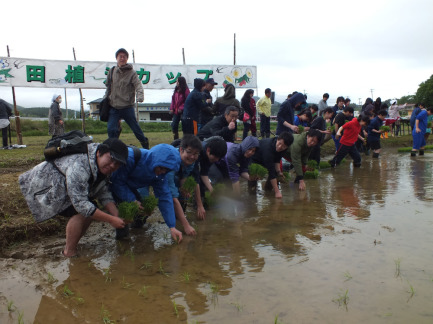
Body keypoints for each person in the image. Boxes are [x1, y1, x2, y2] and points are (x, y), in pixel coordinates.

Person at [19, 138, 129, 257]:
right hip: (43, 187)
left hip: (64, 188)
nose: (113, 165)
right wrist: (111, 220)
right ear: (99, 153)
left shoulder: (103, 167)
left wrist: (116, 215)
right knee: (82, 212)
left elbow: (103, 192)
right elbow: (81, 205)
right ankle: (69, 252)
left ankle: (72, 244)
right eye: (111, 159)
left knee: (91, 209)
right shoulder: (80, 164)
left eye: (117, 163)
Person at [110, 144, 183, 241]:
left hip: (128, 186)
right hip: (113, 183)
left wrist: (172, 226)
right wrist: (132, 200)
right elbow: (117, 182)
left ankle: (136, 230)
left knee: (141, 210)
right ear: (155, 160)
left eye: (166, 170)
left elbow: (164, 197)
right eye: (161, 168)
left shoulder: (161, 175)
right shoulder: (131, 158)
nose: (162, 172)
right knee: (125, 213)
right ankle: (122, 242)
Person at [105, 48, 149, 149]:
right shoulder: (112, 71)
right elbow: (108, 86)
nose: (122, 58)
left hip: (127, 107)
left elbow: (138, 85)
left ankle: (145, 144)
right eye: (120, 56)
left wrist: (140, 96)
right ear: (116, 58)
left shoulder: (132, 73)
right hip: (114, 107)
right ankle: (113, 148)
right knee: (111, 130)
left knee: (136, 129)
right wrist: (106, 98)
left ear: (126, 59)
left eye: (124, 56)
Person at [166, 135, 204, 235]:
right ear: (181, 149)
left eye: (196, 154)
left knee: (184, 192)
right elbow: (172, 193)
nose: (192, 156)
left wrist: (184, 187)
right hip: (151, 177)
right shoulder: (171, 160)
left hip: (174, 177)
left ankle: (179, 217)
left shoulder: (192, 162)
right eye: (189, 152)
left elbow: (185, 176)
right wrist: (186, 225)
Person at [250, 131, 294, 198]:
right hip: (254, 159)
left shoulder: (284, 149)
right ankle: (251, 196)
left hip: (265, 159)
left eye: (283, 146)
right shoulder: (268, 149)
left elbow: (277, 159)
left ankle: (268, 192)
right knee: (254, 178)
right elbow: (270, 171)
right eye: (279, 143)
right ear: (278, 139)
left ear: (287, 147)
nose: (280, 147)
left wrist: (279, 172)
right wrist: (277, 191)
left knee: (275, 173)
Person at [170, 76, 190, 140]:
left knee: (185, 126)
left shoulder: (186, 90)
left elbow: (187, 101)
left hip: (183, 112)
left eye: (177, 81)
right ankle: (175, 139)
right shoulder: (176, 90)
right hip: (176, 111)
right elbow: (173, 100)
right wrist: (172, 108)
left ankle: (185, 139)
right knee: (174, 125)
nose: (176, 82)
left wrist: (181, 108)